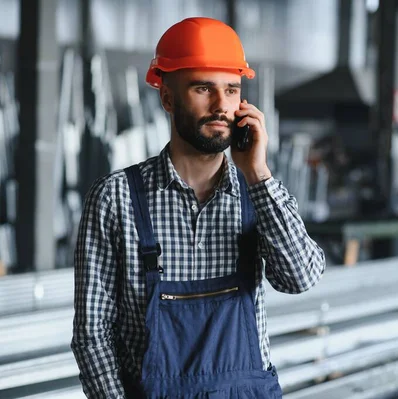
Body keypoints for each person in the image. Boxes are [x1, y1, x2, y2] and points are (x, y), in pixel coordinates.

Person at [71, 17, 326, 398]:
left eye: (232, 90)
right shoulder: (115, 198)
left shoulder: (257, 191)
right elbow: (93, 334)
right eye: (203, 88)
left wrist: (257, 173)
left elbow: (300, 278)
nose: (221, 105)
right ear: (168, 98)